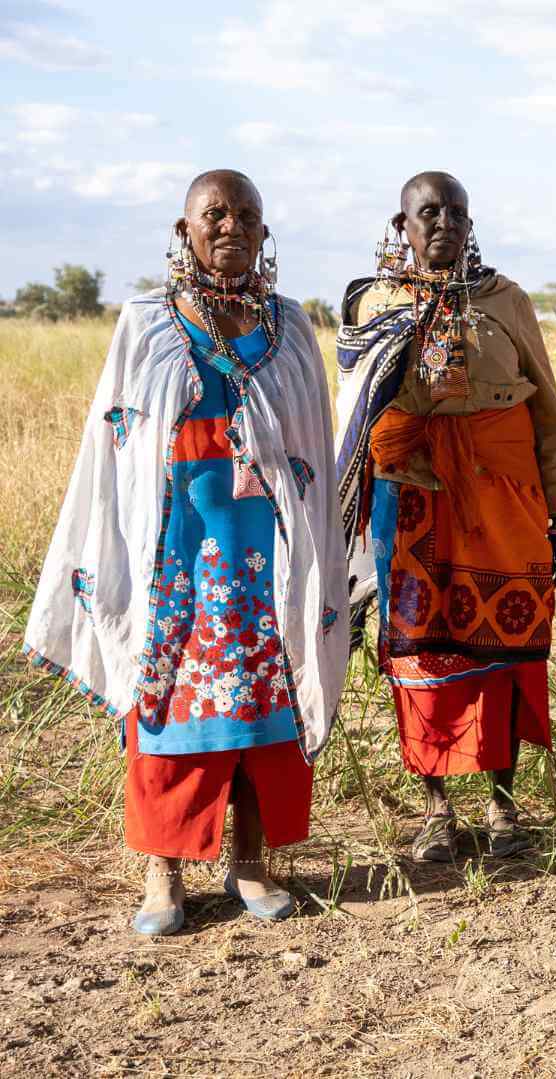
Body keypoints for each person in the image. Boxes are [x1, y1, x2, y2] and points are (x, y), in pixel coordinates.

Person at [24, 170, 348, 934]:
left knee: (262, 708)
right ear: (185, 230)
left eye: (246, 215)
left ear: (265, 234)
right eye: (215, 213)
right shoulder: (146, 322)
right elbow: (114, 448)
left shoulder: (293, 325)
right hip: (174, 548)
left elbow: (312, 443)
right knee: (166, 701)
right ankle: (161, 869)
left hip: (267, 553)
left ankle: (251, 861)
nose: (230, 225)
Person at [336, 171, 556, 860]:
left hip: (505, 501)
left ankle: (503, 807)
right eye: (428, 212)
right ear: (401, 225)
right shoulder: (372, 303)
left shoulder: (506, 299)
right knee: (417, 653)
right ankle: (437, 808)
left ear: (472, 225)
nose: (443, 222)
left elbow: (549, 416)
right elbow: (350, 422)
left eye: (457, 213)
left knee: (504, 650)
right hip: (407, 502)